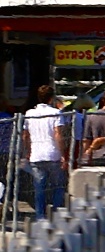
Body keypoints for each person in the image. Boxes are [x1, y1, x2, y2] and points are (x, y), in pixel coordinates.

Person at [21, 83, 65, 214]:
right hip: (53, 153)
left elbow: (25, 136)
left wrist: (28, 151)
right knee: (58, 186)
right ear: (51, 98)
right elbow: (58, 134)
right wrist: (63, 154)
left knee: (39, 187)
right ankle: (56, 213)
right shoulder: (56, 113)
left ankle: (40, 215)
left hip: (36, 154)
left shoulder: (29, 113)